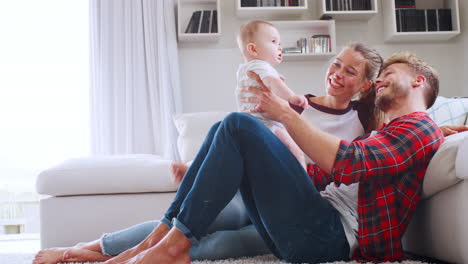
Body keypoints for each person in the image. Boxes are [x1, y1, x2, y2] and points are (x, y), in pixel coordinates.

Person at [90, 50, 446, 264]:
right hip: (316, 222)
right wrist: (283, 147)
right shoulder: (387, 133)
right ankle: (163, 241)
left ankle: (170, 247)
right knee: (225, 130)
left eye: (389, 75)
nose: (381, 81)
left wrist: (285, 116)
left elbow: (351, 162)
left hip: (331, 237)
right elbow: (327, 178)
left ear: (418, 82)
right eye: (380, 76)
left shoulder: (420, 127)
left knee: (237, 126)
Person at [235, 20, 307, 166]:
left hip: (251, 124)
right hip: (267, 123)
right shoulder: (261, 65)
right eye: (274, 41)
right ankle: (305, 187)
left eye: (280, 43)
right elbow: (273, 83)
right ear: (253, 50)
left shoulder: (244, 69)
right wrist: (291, 97)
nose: (280, 47)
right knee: (297, 154)